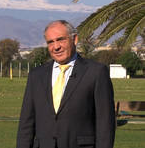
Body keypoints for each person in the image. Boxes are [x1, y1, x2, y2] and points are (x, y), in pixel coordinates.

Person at [16, 20, 115, 148]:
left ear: (74, 39)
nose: (56, 46)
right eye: (50, 42)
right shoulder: (36, 76)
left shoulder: (96, 73)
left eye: (61, 39)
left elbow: (105, 123)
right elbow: (26, 124)